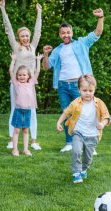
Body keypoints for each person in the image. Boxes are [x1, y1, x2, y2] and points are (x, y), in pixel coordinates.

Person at [43, 8, 104, 152]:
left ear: (72, 33)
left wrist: (100, 17)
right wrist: (46, 54)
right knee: (67, 113)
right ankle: (69, 143)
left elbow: (97, 33)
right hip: (63, 85)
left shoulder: (81, 44)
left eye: (68, 32)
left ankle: (89, 144)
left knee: (85, 113)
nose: (66, 35)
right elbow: (46, 67)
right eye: (63, 33)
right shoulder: (57, 50)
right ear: (59, 35)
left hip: (80, 86)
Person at [0, 0, 42, 151]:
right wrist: (3, 10)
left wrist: (39, 13)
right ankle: (12, 140)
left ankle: (34, 141)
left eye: (27, 35)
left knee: (32, 112)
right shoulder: (16, 47)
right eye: (22, 36)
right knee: (15, 110)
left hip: (30, 84)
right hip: (17, 85)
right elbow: (8, 29)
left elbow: (38, 32)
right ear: (19, 37)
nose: (25, 38)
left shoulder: (33, 46)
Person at [56, 74, 111, 183]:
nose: (87, 93)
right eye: (84, 90)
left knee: (88, 158)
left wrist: (102, 124)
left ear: (94, 90)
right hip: (78, 132)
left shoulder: (99, 103)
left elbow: (107, 116)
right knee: (76, 151)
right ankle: (76, 173)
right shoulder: (75, 103)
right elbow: (66, 112)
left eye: (90, 90)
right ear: (79, 90)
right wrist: (59, 122)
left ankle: (83, 169)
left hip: (92, 135)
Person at [9, 52, 43, 157]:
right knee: (16, 130)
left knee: (25, 130)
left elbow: (37, 71)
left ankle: (25, 149)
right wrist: (13, 60)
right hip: (18, 110)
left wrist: (38, 60)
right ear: (17, 76)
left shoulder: (31, 83)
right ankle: (15, 150)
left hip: (28, 111)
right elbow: (10, 71)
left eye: (24, 75)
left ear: (28, 76)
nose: (21, 76)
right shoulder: (16, 83)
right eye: (19, 75)